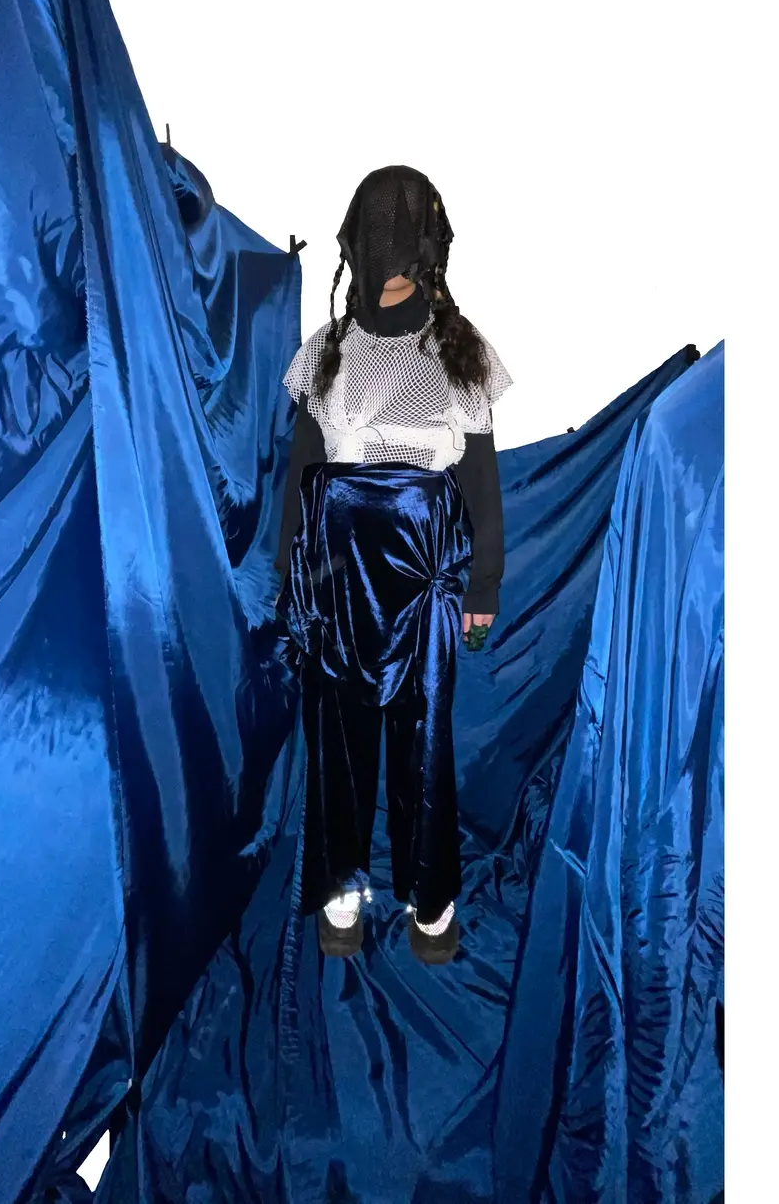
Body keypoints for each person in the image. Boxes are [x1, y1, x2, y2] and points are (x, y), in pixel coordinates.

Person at [276, 165, 511, 965]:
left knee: (424, 741)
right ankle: (341, 884)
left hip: (423, 581)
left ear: (427, 245)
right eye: (380, 231)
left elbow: (480, 479)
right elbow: (303, 471)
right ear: (358, 242)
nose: (392, 251)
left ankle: (429, 895)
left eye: (404, 233)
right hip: (339, 582)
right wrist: (287, 577)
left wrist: (484, 586)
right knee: (338, 738)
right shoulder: (329, 351)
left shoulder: (460, 351)